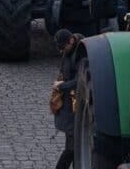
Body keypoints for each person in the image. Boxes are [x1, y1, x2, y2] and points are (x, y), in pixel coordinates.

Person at [51, 29, 83, 169]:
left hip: (76, 105)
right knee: (72, 143)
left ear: (71, 41)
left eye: (63, 48)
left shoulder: (81, 56)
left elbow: (79, 81)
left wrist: (62, 86)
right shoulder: (69, 52)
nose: (61, 51)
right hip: (69, 105)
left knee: (72, 147)